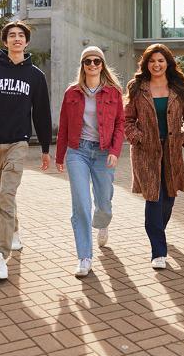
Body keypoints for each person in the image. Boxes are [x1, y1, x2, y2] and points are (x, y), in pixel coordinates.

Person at [0, 20, 52, 280]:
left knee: (6, 194)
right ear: (5, 41)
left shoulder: (35, 76)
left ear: (26, 42)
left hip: (19, 142)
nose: (17, 39)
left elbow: (41, 113)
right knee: (1, 193)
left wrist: (45, 149)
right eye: (12, 35)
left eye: (21, 35)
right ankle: (14, 231)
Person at [124, 44, 184, 270]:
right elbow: (126, 121)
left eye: (161, 61)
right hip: (147, 151)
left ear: (168, 63)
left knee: (169, 197)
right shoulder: (137, 87)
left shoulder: (179, 88)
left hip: (172, 150)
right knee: (153, 198)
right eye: (152, 60)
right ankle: (158, 251)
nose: (156, 64)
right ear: (146, 63)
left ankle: (159, 232)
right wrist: (139, 138)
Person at [55, 46, 125, 277]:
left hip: (104, 152)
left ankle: (103, 223)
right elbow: (64, 125)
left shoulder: (113, 92)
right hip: (78, 152)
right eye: (88, 62)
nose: (93, 65)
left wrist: (115, 150)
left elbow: (119, 125)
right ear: (82, 66)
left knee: (103, 202)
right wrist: (60, 156)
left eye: (97, 61)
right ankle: (84, 256)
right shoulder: (72, 93)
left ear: (102, 65)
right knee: (81, 205)